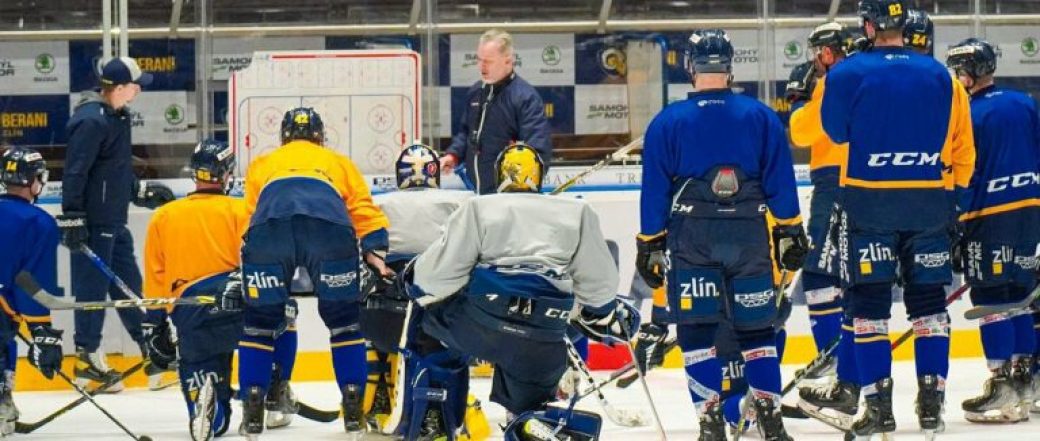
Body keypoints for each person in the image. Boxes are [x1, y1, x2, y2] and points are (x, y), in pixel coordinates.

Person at [636, 28, 807, 440]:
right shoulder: (760, 115)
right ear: (730, 67)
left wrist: (649, 243)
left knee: (696, 332)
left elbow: (654, 192)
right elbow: (782, 183)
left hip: (692, 239)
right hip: (748, 237)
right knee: (758, 332)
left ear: (690, 67)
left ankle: (710, 424)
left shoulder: (668, 121)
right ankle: (771, 421)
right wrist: (790, 230)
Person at [394, 142, 629, 440]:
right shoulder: (577, 212)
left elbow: (440, 275)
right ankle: (529, 423)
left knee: (429, 331)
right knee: (528, 403)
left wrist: (411, 280)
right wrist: (601, 312)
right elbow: (600, 288)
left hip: (482, 324)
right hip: (542, 336)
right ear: (539, 176)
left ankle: (434, 418)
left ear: (497, 174)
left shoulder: (478, 207)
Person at [817, 1, 975, 438]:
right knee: (928, 308)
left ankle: (878, 408)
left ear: (868, 26)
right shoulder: (943, 77)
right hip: (928, 203)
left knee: (868, 309)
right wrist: (955, 203)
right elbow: (961, 146)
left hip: (868, 203)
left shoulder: (846, 73)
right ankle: (931, 407)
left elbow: (835, 132)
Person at [232, 107, 392, 439]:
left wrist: (245, 265)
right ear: (319, 136)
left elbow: (248, 218)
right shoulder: (338, 162)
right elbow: (363, 208)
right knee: (344, 321)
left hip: (270, 230)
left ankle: (252, 414)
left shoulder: (263, 164)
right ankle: (352, 413)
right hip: (328, 228)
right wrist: (375, 251)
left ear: (284, 137)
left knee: (259, 323)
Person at [141, 140, 300, 440]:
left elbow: (155, 279)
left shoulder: (164, 216)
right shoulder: (242, 210)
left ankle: (209, 401)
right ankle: (274, 392)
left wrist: (154, 323)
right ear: (227, 175)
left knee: (214, 423)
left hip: (190, 314)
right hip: (236, 307)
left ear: (194, 175)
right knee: (286, 314)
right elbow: (261, 265)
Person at [59, 56, 176, 391]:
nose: (139, 90)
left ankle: (152, 356)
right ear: (120, 87)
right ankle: (88, 360)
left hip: (113, 217)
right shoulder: (91, 121)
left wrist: (136, 190)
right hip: (94, 222)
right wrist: (72, 215)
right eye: (135, 85)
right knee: (93, 291)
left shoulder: (116, 116)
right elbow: (76, 171)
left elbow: (111, 168)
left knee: (129, 287)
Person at [946, 38, 1040, 424]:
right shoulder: (1025, 102)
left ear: (969, 73)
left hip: (989, 217)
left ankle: (1001, 385)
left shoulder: (969, 113)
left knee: (991, 300)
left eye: (958, 71)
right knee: (1020, 295)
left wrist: (954, 221)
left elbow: (965, 173)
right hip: (1030, 214)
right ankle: (1027, 380)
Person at [360, 143, 475, 431]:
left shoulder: (378, 204)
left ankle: (378, 390)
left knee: (371, 326)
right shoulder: (463, 202)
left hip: (386, 318)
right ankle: (444, 404)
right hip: (442, 315)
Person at [786, 23, 861, 430]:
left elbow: (802, 131)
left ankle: (835, 366)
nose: (815, 59)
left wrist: (799, 102)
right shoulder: (868, 74)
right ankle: (850, 369)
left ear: (833, 52)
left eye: (820, 51)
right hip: (868, 183)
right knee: (854, 282)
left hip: (835, 182)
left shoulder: (835, 82)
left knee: (818, 273)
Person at [440, 29, 553, 194]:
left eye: (488, 61)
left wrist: (517, 187)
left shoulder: (525, 98)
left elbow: (538, 151)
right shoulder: (476, 91)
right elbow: (467, 133)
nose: (481, 66)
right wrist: (453, 155)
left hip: (510, 198)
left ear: (508, 61)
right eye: (479, 59)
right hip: (476, 192)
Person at [0, 147, 64, 435]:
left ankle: (4, 401)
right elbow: (33, 284)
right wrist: (42, 331)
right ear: (33, 180)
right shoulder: (40, 222)